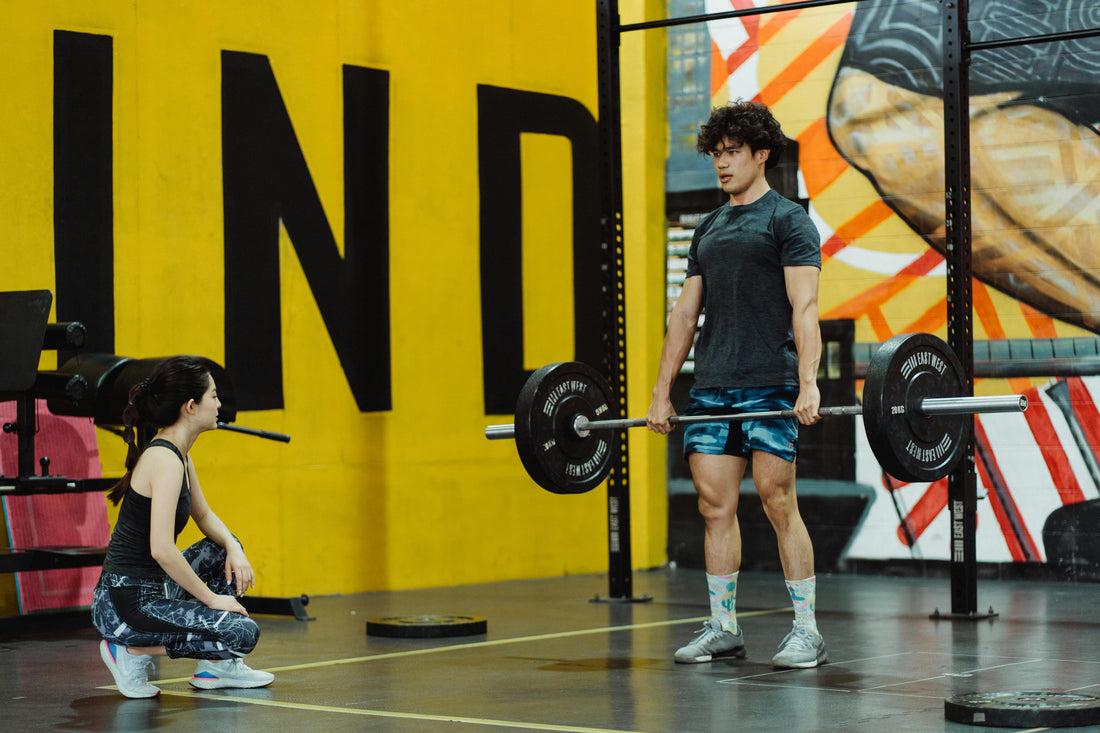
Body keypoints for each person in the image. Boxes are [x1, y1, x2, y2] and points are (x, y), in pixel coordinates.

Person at [646, 101, 827, 668]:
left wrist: (808, 382)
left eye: (732, 153)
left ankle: (807, 631)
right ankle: (723, 625)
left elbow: (806, 306)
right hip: (713, 388)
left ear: (761, 154)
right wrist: (661, 391)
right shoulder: (709, 228)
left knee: (777, 500)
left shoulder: (788, 220)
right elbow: (683, 315)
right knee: (713, 505)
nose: (721, 165)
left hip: (771, 384)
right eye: (716, 155)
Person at [91, 356, 274, 698]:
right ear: (191, 406)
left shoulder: (181, 456)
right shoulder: (164, 460)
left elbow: (204, 517)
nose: (220, 404)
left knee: (220, 548)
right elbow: (161, 549)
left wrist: (234, 547)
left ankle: (215, 668)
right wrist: (212, 599)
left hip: (154, 591)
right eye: (214, 396)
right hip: (122, 606)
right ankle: (129, 652)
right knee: (241, 633)